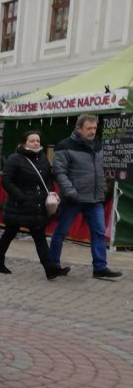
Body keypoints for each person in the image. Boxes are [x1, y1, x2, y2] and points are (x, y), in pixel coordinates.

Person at [50, 114, 122, 279]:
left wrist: (103, 188)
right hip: (73, 199)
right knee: (60, 232)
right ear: (78, 128)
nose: (92, 131)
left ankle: (100, 267)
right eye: (89, 128)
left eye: (95, 128)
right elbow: (60, 172)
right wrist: (70, 192)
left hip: (94, 199)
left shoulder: (97, 145)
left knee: (99, 233)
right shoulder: (64, 146)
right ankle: (53, 265)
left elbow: (100, 171)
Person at [0, 130, 70, 280]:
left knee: (39, 236)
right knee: (9, 233)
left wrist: (50, 192)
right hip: (19, 205)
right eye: (32, 141)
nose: (36, 143)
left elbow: (48, 178)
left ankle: (50, 269)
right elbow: (6, 181)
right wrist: (21, 196)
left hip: (37, 206)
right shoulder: (15, 159)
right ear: (24, 143)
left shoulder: (43, 158)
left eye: (38, 141)